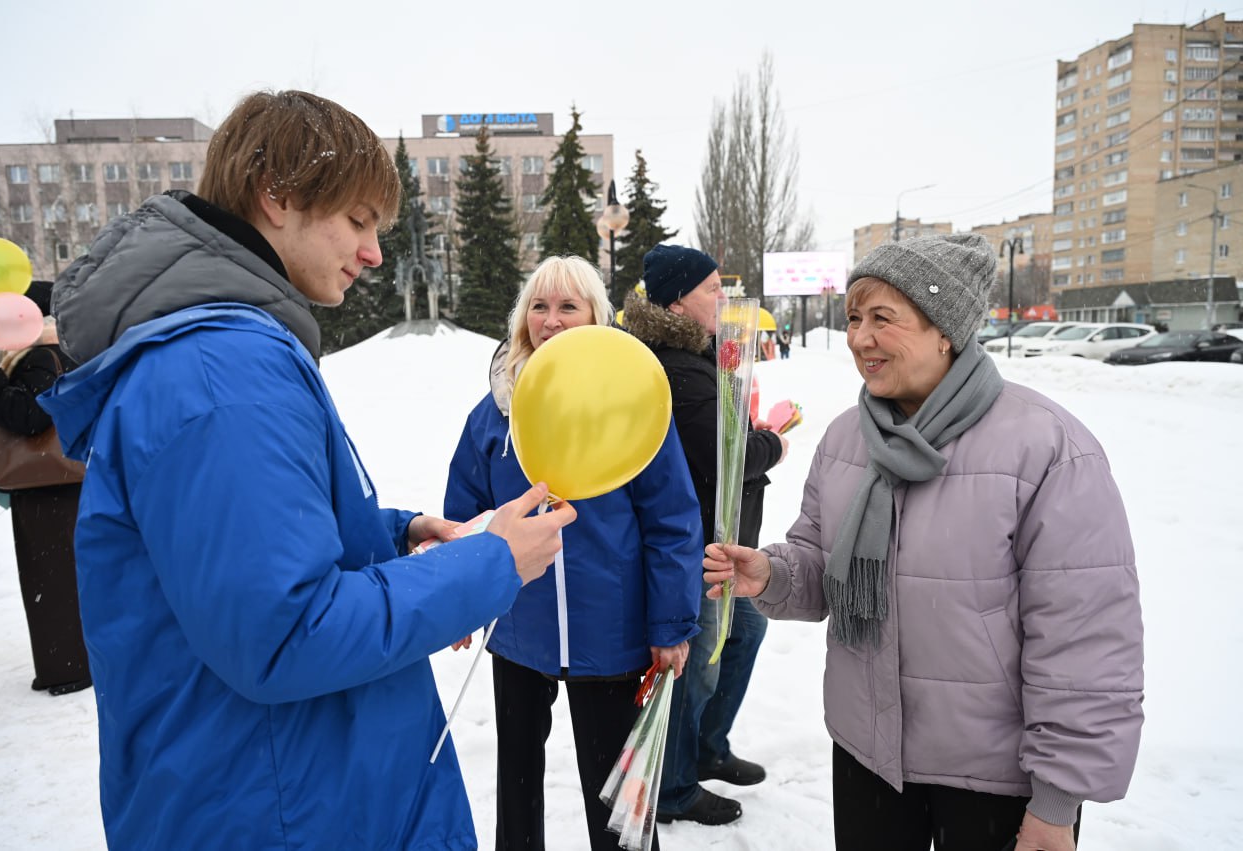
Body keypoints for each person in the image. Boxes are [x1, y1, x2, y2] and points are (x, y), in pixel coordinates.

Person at [38, 90, 576, 850]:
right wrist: (491, 565)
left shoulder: (225, 352)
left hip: (284, 787)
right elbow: (284, 632)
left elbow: (257, 552)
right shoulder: (221, 371)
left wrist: (398, 533)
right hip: (285, 807)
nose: (375, 253)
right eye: (357, 221)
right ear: (278, 196)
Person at [704, 233, 1144, 851]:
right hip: (868, 759)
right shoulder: (844, 440)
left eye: (883, 318)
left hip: (994, 780)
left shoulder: (1046, 448)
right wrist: (772, 574)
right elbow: (820, 562)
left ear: (946, 330)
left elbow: (1087, 640)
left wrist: (1058, 801)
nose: (860, 338)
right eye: (854, 318)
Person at [444, 255, 703, 851]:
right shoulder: (495, 413)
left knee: (615, 801)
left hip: (609, 633)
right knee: (516, 785)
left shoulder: (631, 407)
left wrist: (670, 624)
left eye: (568, 306)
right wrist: (458, 598)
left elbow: (672, 521)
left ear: (595, 316)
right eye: (539, 305)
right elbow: (465, 515)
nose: (551, 320)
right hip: (518, 629)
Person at [623, 245, 787, 826]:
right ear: (675, 302)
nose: (725, 298)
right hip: (694, 548)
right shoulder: (675, 365)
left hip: (722, 543)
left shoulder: (701, 356)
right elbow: (723, 452)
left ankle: (708, 744)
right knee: (698, 665)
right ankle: (672, 787)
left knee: (747, 629)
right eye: (714, 290)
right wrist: (776, 442)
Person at [0, 280, 91, 696]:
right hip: (64, 483)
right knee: (63, 577)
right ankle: (72, 664)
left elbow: (29, 416)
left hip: (49, 486)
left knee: (51, 580)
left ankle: (68, 669)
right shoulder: (65, 351)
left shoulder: (42, 354)